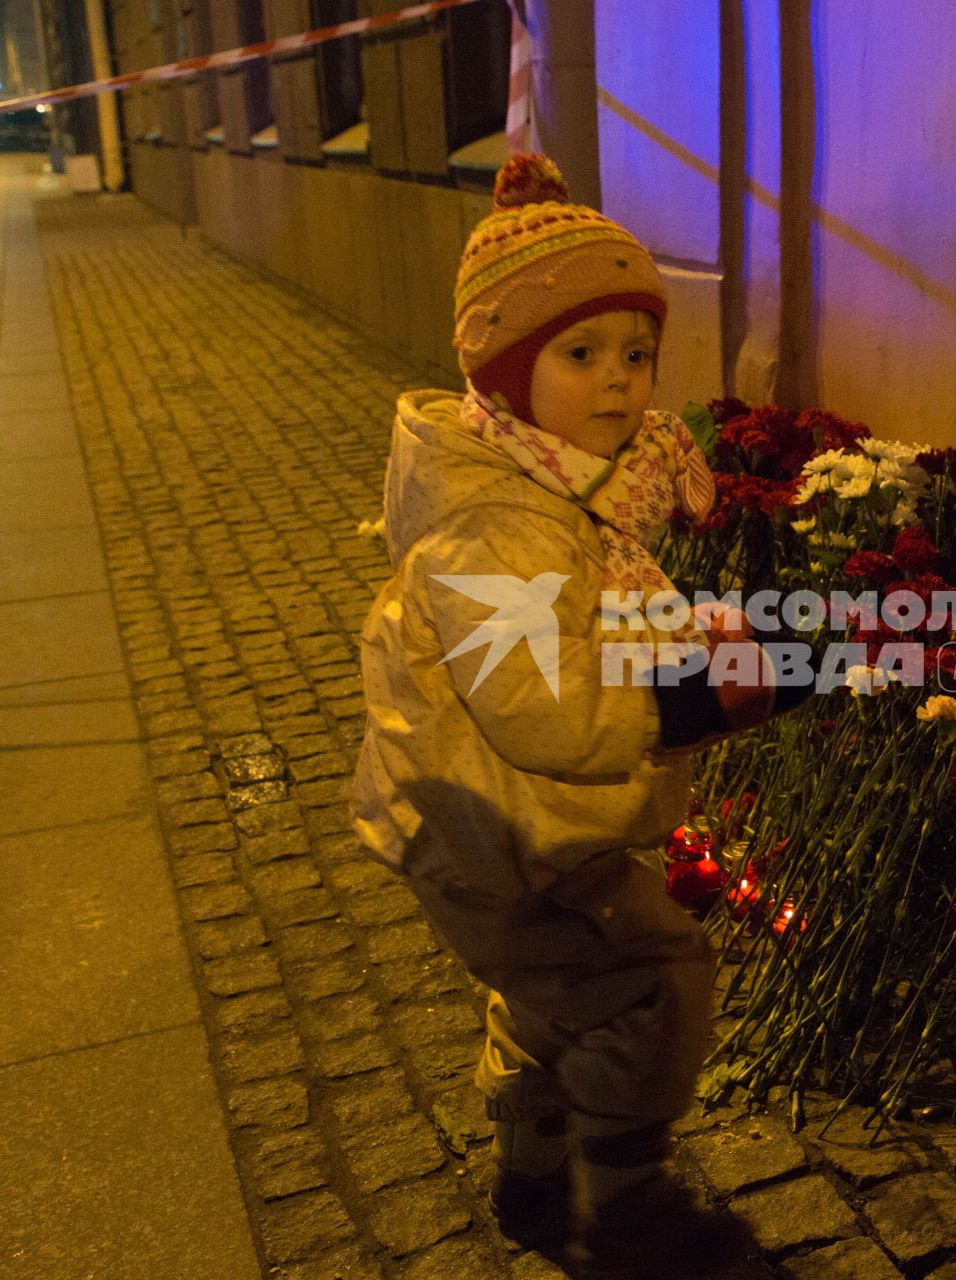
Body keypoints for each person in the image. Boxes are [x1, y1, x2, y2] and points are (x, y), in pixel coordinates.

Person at [351, 153, 807, 1277]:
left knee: (547, 995)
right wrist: (703, 690)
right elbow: (547, 706)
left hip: (503, 822)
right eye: (580, 353)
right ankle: (631, 1211)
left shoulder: (564, 488)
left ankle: (531, 1164)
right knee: (652, 976)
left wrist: (704, 644)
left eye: (637, 353)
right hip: (494, 832)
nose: (620, 383)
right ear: (503, 373)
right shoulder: (490, 523)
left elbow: (593, 622)